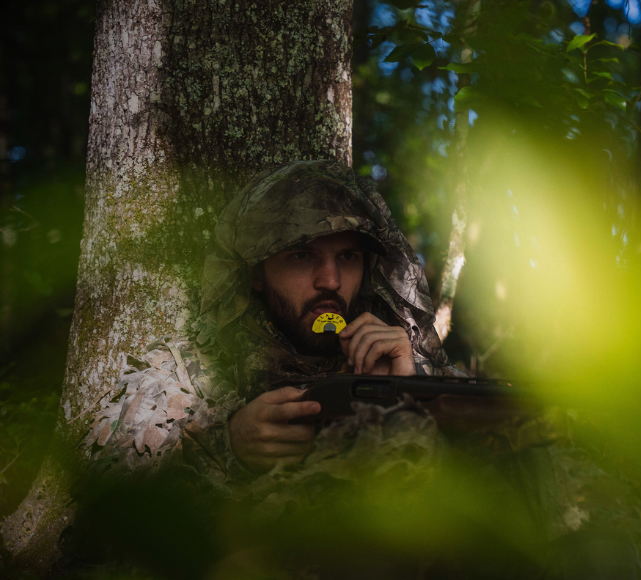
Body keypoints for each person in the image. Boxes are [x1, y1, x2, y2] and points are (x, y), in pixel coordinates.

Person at [83, 159, 460, 479]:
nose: (330, 281)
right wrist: (227, 444)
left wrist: (411, 396)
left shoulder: (400, 358)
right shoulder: (189, 369)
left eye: (347, 257)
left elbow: (495, 475)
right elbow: (104, 482)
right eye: (301, 255)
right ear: (256, 273)